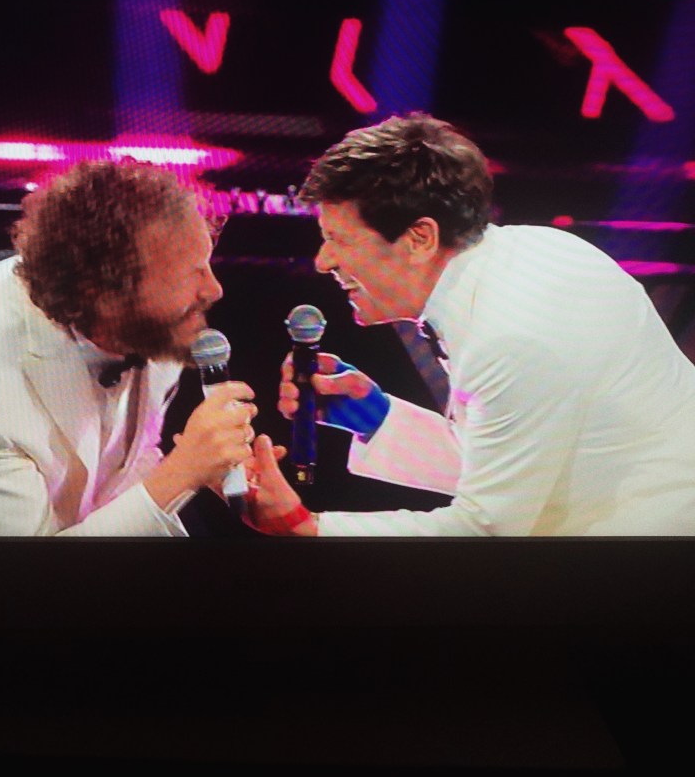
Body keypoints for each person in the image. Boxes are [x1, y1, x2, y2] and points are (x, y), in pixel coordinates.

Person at [243, 111, 695, 537]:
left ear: (420, 238)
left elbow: (486, 528)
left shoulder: (510, 336)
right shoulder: (537, 250)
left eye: (338, 239)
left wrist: (307, 526)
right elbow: (518, 463)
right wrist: (377, 418)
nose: (324, 261)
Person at [0, 159, 259, 535]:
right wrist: (182, 471)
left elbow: (126, 468)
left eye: (206, 264)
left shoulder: (156, 323)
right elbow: (30, 564)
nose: (214, 290)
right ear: (105, 295)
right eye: (189, 274)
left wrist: (200, 467)